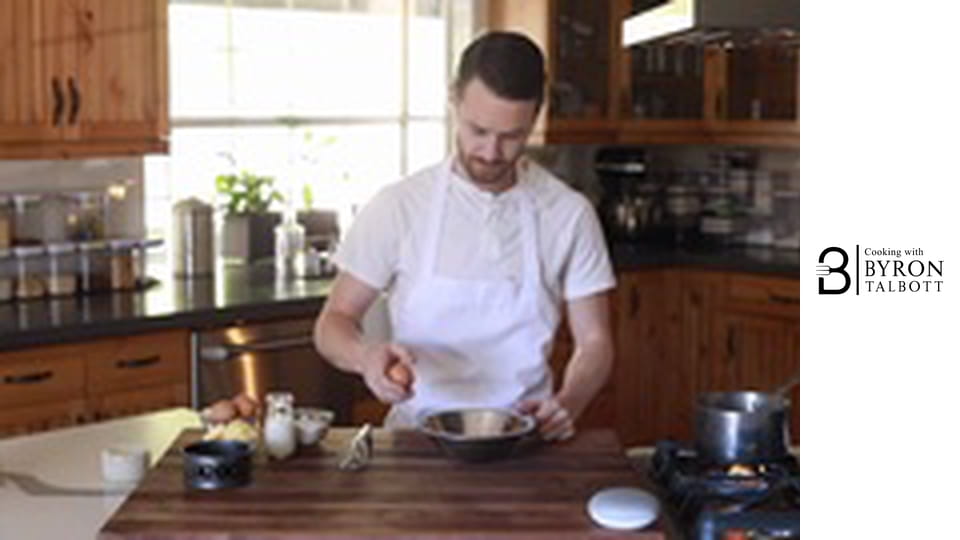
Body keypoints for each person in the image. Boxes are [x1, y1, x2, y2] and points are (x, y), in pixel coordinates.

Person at [312, 31, 615, 441]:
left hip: (525, 441)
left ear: (536, 116)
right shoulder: (399, 206)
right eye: (478, 130)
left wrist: (569, 402)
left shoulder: (569, 214)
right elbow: (333, 323)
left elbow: (595, 343)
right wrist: (365, 357)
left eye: (512, 137)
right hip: (415, 444)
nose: (491, 152)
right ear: (454, 100)